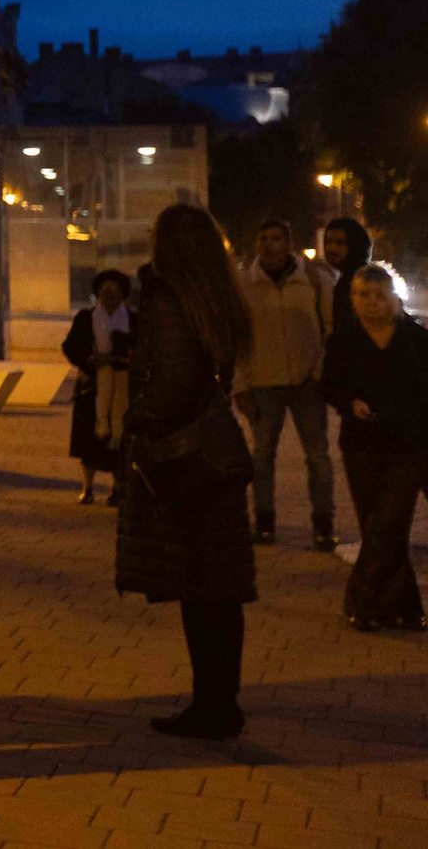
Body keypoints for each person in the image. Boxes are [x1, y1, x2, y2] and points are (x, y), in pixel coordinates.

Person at [116, 204, 258, 739]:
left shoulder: (168, 296)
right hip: (215, 455)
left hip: (188, 460)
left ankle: (213, 707)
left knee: (203, 589)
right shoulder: (216, 296)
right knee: (216, 589)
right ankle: (220, 701)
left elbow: (174, 377)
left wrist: (136, 418)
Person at [321, 264, 428, 632]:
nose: (370, 303)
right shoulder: (344, 340)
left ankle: (362, 603)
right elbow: (330, 385)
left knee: (389, 523)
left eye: (378, 295)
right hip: (362, 445)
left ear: (394, 298)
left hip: (408, 445)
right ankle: (406, 608)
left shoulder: (415, 339)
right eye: (361, 295)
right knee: (379, 528)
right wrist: (350, 402)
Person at [232, 220, 336, 549]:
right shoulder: (246, 284)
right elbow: (239, 338)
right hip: (264, 382)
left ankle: (323, 525)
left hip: (307, 382)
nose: (270, 244)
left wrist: (320, 369)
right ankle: (264, 523)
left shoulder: (313, 280)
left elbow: (330, 327)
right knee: (262, 456)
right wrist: (241, 384)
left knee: (318, 456)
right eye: (263, 238)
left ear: (289, 242)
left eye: (277, 238)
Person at [63, 271, 134, 505]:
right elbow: (70, 347)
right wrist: (90, 359)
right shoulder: (85, 318)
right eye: (105, 290)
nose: (109, 294)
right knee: (90, 442)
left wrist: (121, 359)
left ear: (123, 293)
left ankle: (117, 488)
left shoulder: (132, 320)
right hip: (92, 387)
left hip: (122, 387)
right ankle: (88, 487)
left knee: (119, 440)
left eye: (114, 290)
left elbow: (142, 349)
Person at [322, 216, 374, 342]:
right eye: (328, 242)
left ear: (355, 245)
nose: (332, 249)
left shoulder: (366, 281)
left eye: (340, 243)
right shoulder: (346, 280)